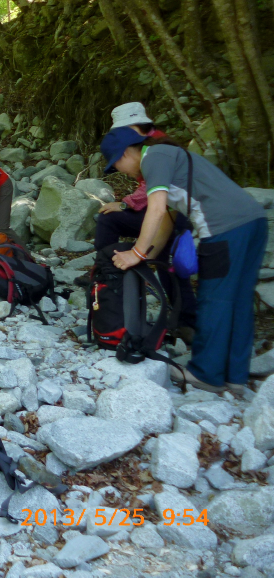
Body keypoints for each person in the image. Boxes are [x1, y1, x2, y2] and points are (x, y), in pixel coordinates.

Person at [101, 127, 267, 395]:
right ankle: (235, 376)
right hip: (253, 223)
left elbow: (154, 210)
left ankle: (206, 374)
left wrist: (137, 253)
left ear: (124, 153)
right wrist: (149, 258)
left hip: (224, 230)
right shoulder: (169, 155)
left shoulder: (153, 158)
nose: (121, 171)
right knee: (239, 300)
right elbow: (167, 218)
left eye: (116, 164)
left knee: (215, 301)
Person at [93, 102, 196, 336]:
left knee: (168, 262)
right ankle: (108, 275)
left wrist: (125, 204)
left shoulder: (157, 147)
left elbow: (155, 198)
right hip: (162, 211)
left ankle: (187, 321)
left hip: (170, 214)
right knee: (109, 220)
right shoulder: (147, 145)